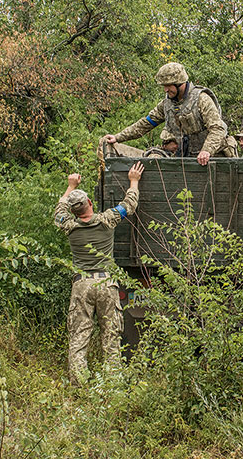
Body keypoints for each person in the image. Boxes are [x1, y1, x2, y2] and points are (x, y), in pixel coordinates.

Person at [54, 162, 145, 384]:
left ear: (74, 211)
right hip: (106, 284)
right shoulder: (106, 221)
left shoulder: (69, 226)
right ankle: (113, 384)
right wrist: (133, 181)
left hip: (82, 285)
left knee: (79, 338)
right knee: (111, 338)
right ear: (90, 204)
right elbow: (129, 205)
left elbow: (59, 211)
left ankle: (78, 384)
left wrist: (70, 186)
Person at [102, 62, 236, 165]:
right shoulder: (167, 104)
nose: (166, 89)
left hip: (210, 159)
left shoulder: (201, 99)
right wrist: (118, 137)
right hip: (183, 159)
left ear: (180, 83)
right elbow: (146, 123)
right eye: (164, 86)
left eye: (169, 85)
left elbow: (218, 128)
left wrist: (207, 150)